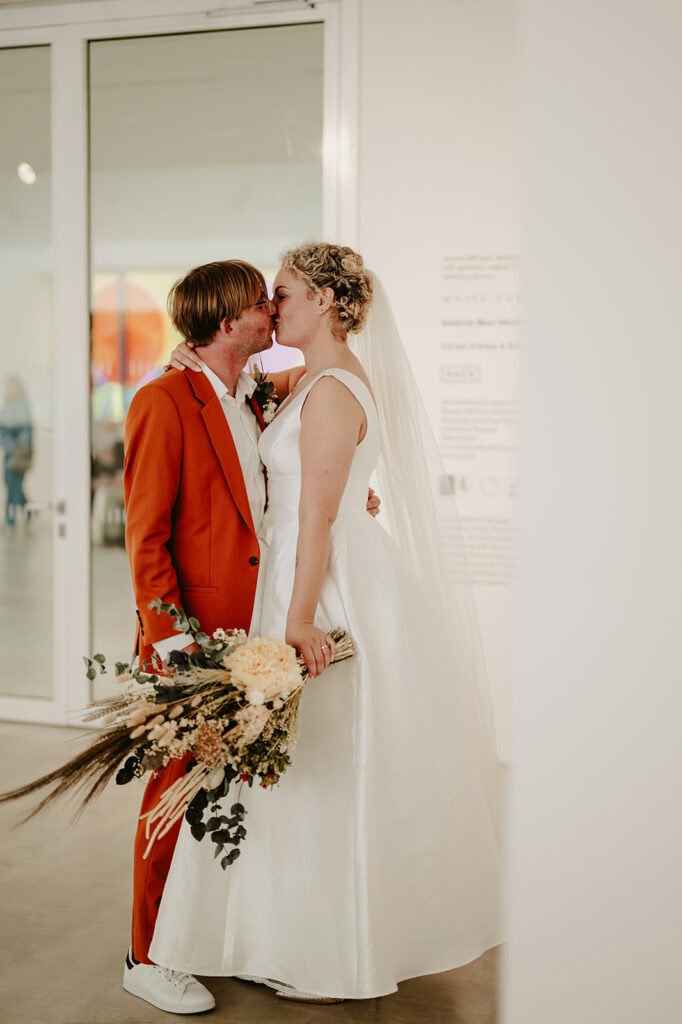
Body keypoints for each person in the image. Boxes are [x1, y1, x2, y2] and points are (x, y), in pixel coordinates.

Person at [153, 243, 502, 1004]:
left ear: (326, 303)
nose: (272, 307)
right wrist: (192, 353)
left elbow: (316, 516)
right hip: (301, 569)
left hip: (318, 584)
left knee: (318, 766)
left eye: (282, 293)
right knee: (294, 768)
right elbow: (253, 409)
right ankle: (279, 931)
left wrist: (300, 620)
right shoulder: (307, 379)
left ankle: (325, 944)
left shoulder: (333, 387)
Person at [122, 258, 379, 1015]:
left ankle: (221, 938)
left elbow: (300, 478)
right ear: (229, 321)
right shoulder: (163, 401)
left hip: (255, 632)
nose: (272, 312)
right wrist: (173, 644)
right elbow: (146, 539)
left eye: (278, 299)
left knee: (232, 794)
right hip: (193, 641)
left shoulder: (257, 397)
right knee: (173, 793)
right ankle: (144, 954)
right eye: (259, 305)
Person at [0, 375, 33, 526]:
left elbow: (22, 434)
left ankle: (10, 519)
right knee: (10, 484)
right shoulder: (8, 405)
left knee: (14, 486)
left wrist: (7, 436)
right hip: (9, 454)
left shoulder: (22, 406)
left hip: (18, 455)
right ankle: (29, 509)